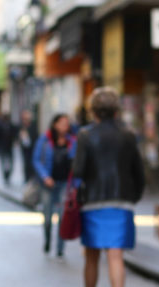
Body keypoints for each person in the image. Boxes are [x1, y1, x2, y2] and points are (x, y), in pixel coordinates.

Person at [73, 87, 144, 287]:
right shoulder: (128, 135)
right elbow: (138, 171)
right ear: (116, 111)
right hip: (121, 201)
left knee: (91, 256)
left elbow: (78, 170)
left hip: (93, 202)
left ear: (93, 111)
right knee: (116, 256)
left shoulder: (85, 135)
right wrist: (134, 196)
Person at [32, 113, 76, 257]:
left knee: (63, 217)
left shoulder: (72, 141)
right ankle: (47, 241)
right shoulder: (44, 139)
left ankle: (60, 249)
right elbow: (36, 160)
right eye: (62, 123)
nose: (65, 126)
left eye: (67, 123)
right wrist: (45, 177)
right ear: (55, 124)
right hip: (48, 185)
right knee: (47, 217)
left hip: (64, 184)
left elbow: (76, 163)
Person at [0, 113, 16, 186]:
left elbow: (14, 135)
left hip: (9, 148)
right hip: (3, 148)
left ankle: (8, 175)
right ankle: (5, 176)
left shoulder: (11, 126)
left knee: (10, 163)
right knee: (3, 163)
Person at [18, 110, 38, 184]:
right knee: (26, 163)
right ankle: (27, 178)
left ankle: (32, 178)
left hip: (33, 148)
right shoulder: (22, 126)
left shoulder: (33, 126)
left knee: (32, 163)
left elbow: (35, 135)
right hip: (25, 149)